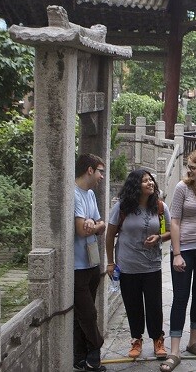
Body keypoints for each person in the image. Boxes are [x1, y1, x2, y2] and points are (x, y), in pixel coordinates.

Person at [160, 149, 196, 372]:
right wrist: (176, 254)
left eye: (193, 167)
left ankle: (193, 341)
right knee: (180, 297)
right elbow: (174, 222)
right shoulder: (183, 187)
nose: (189, 170)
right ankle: (174, 351)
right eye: (188, 166)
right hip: (184, 249)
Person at [106, 170, 171, 361]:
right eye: (145, 181)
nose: (150, 183)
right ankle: (136, 340)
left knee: (154, 305)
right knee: (133, 305)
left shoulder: (159, 207)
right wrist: (110, 262)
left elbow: (169, 232)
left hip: (152, 265)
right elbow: (110, 236)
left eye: (151, 180)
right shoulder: (122, 208)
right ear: (136, 186)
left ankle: (158, 340)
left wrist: (159, 237)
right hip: (127, 265)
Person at [73, 153, 107, 372]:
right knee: (87, 313)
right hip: (76, 266)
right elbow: (80, 230)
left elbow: (98, 223)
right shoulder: (74, 194)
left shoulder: (90, 194)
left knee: (83, 314)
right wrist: (95, 226)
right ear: (90, 170)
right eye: (100, 171)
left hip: (92, 263)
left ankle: (81, 357)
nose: (102, 176)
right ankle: (96, 349)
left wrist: (94, 226)